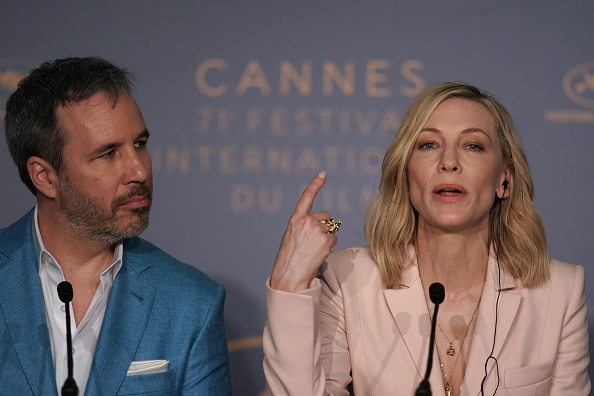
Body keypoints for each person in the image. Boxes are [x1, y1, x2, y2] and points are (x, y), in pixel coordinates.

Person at [263, 82, 590, 395]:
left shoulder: (559, 292)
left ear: (504, 179)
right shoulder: (348, 278)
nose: (449, 162)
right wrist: (289, 283)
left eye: (473, 146)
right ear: (406, 172)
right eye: (428, 144)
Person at [0, 57, 231, 395]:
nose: (138, 171)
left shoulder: (192, 303)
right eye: (108, 154)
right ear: (45, 177)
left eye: (140, 144)